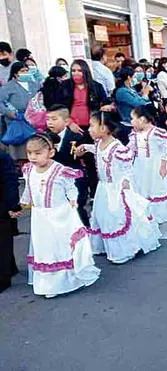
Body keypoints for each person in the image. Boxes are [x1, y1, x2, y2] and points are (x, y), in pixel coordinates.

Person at [20, 133, 100, 298]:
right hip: (40, 216)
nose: (33, 157)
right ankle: (45, 283)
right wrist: (23, 203)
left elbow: (71, 187)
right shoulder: (28, 170)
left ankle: (62, 282)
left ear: (50, 152)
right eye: (30, 153)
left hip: (59, 215)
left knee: (59, 247)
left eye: (38, 153)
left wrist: (72, 199)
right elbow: (28, 190)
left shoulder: (60, 171)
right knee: (44, 247)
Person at [75, 112, 161, 264]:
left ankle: (126, 249)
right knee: (102, 216)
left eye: (92, 126)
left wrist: (126, 181)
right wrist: (85, 148)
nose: (89, 129)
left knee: (116, 217)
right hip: (103, 187)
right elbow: (96, 150)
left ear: (104, 128)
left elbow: (127, 167)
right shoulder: (98, 144)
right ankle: (105, 246)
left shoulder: (117, 148)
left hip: (116, 187)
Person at [128, 106, 167, 224]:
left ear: (142, 119)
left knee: (156, 188)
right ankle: (146, 213)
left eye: (133, 119)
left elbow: (164, 149)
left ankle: (159, 215)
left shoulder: (156, 132)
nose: (131, 122)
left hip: (154, 165)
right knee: (142, 188)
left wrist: (164, 164)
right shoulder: (134, 134)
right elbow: (129, 149)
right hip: (140, 165)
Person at [45, 105, 92, 226]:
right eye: (48, 119)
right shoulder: (43, 138)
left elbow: (89, 161)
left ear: (66, 121)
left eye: (54, 119)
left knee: (76, 210)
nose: (50, 122)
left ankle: (84, 236)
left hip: (74, 180)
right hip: (52, 181)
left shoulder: (77, 137)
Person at [0, 61, 40, 162]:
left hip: (32, 121)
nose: (25, 73)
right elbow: (1, 102)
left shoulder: (34, 84)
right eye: (23, 71)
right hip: (16, 121)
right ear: (15, 73)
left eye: (27, 70)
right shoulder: (8, 87)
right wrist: (9, 113)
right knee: (20, 151)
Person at [114, 67, 152, 143]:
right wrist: (145, 94)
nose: (135, 78)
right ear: (129, 77)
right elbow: (138, 103)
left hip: (138, 123)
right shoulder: (122, 91)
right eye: (134, 76)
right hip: (128, 124)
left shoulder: (131, 89)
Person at [0, 148, 20, 293]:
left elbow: (11, 181)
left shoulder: (2, 157)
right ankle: (10, 267)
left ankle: (3, 278)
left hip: (2, 203)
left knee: (2, 240)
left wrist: (13, 204)